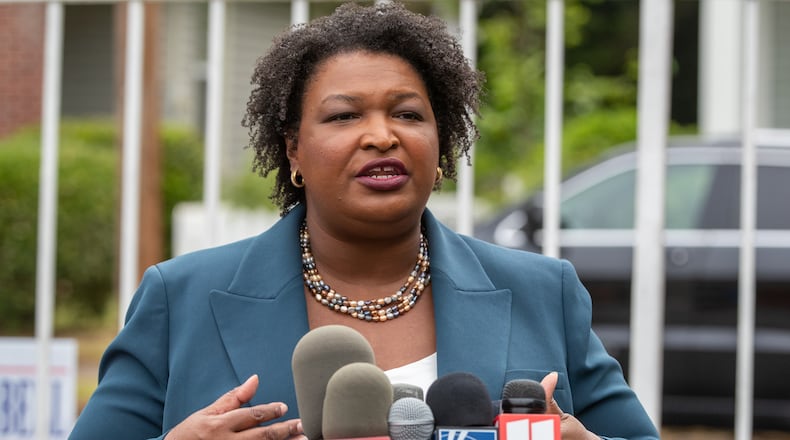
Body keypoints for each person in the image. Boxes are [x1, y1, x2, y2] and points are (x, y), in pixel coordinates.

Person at [70, 2, 659, 439]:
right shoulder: (181, 300)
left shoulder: (543, 292)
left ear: (442, 142)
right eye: (344, 116)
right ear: (293, 151)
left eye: (407, 113)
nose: (382, 136)